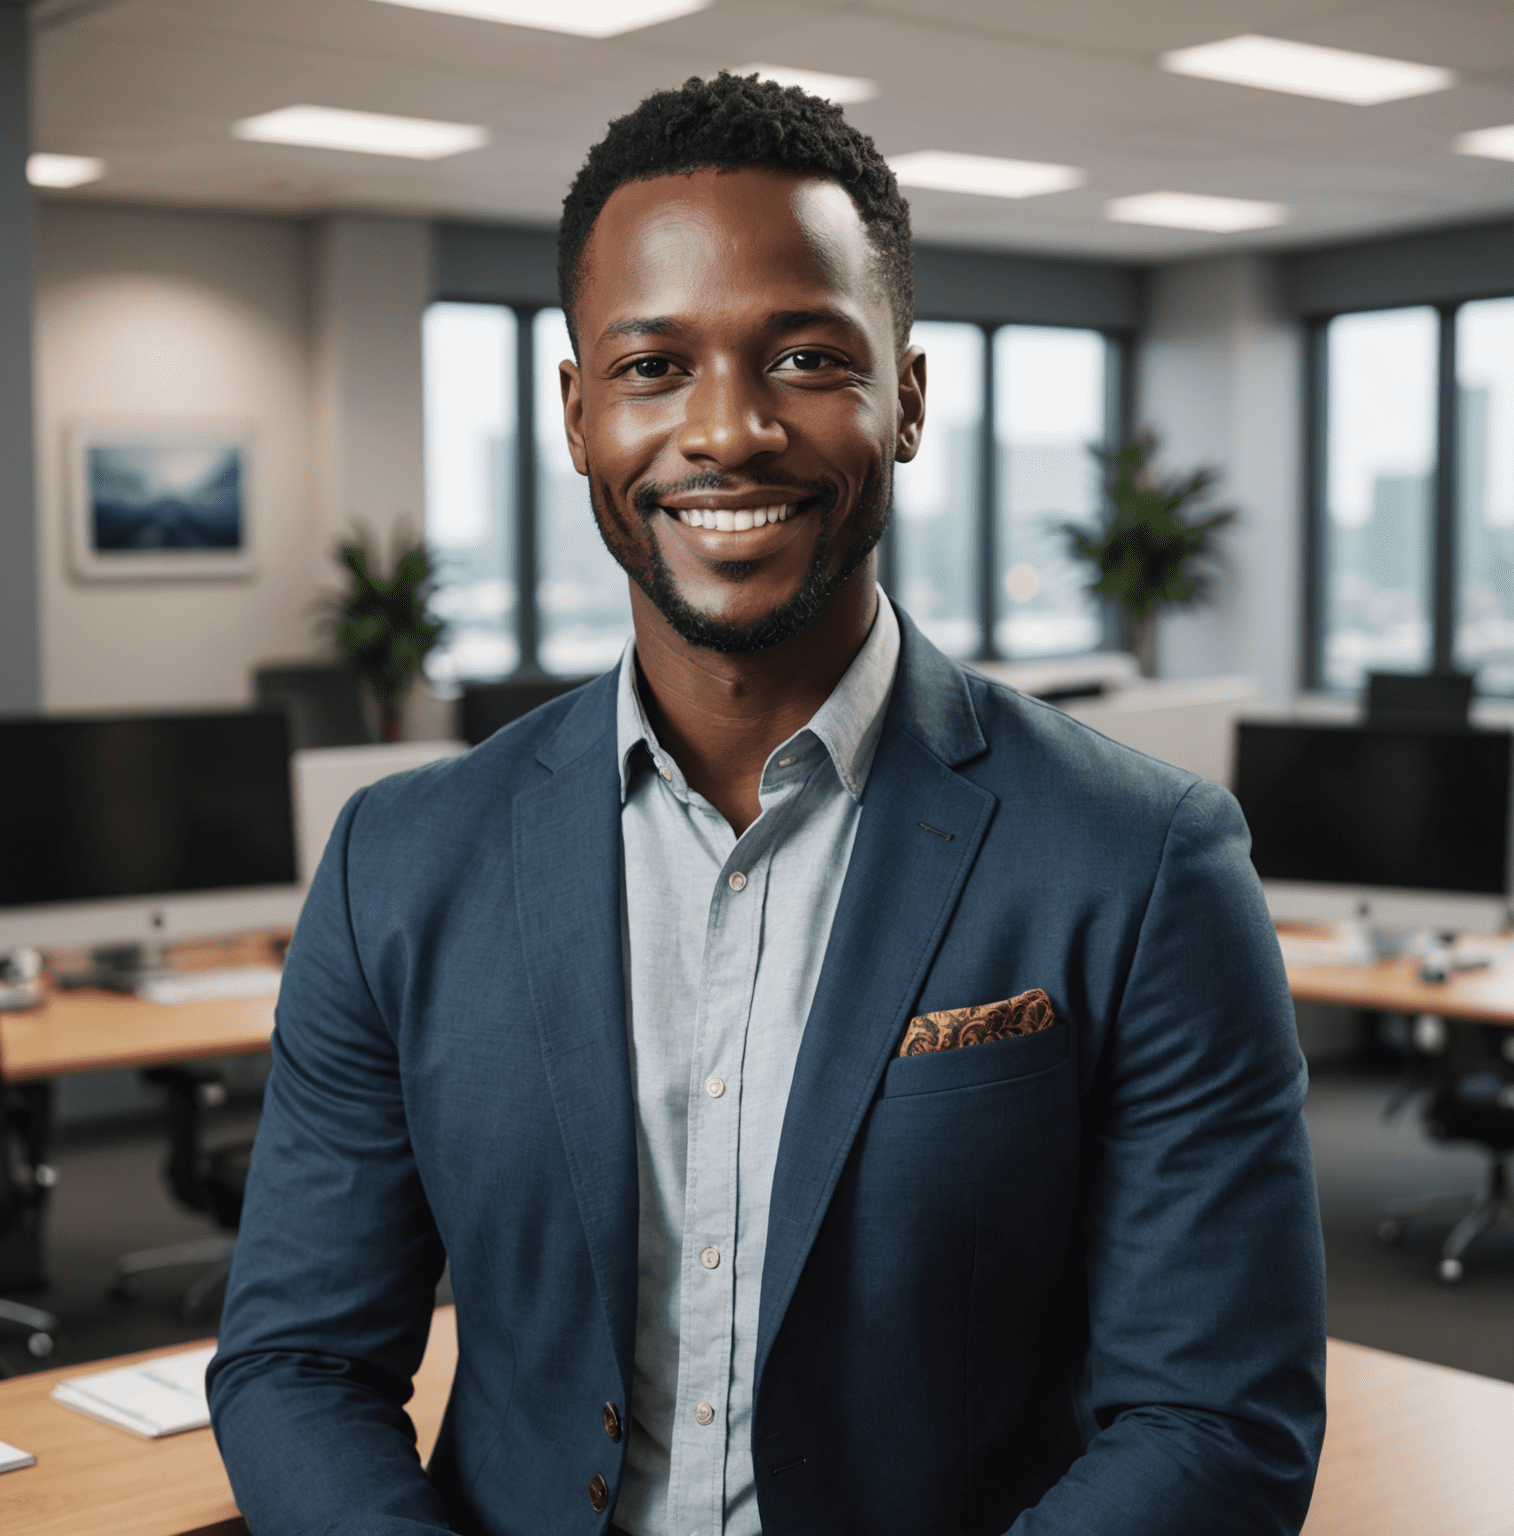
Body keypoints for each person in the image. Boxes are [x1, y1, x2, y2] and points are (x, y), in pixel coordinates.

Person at [209, 72, 1326, 1536]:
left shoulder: (1142, 861)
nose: (726, 431)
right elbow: (296, 1364)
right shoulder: (401, 864)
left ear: (906, 397)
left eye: (804, 356)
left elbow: (1218, 1421)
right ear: (577, 413)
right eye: (653, 366)